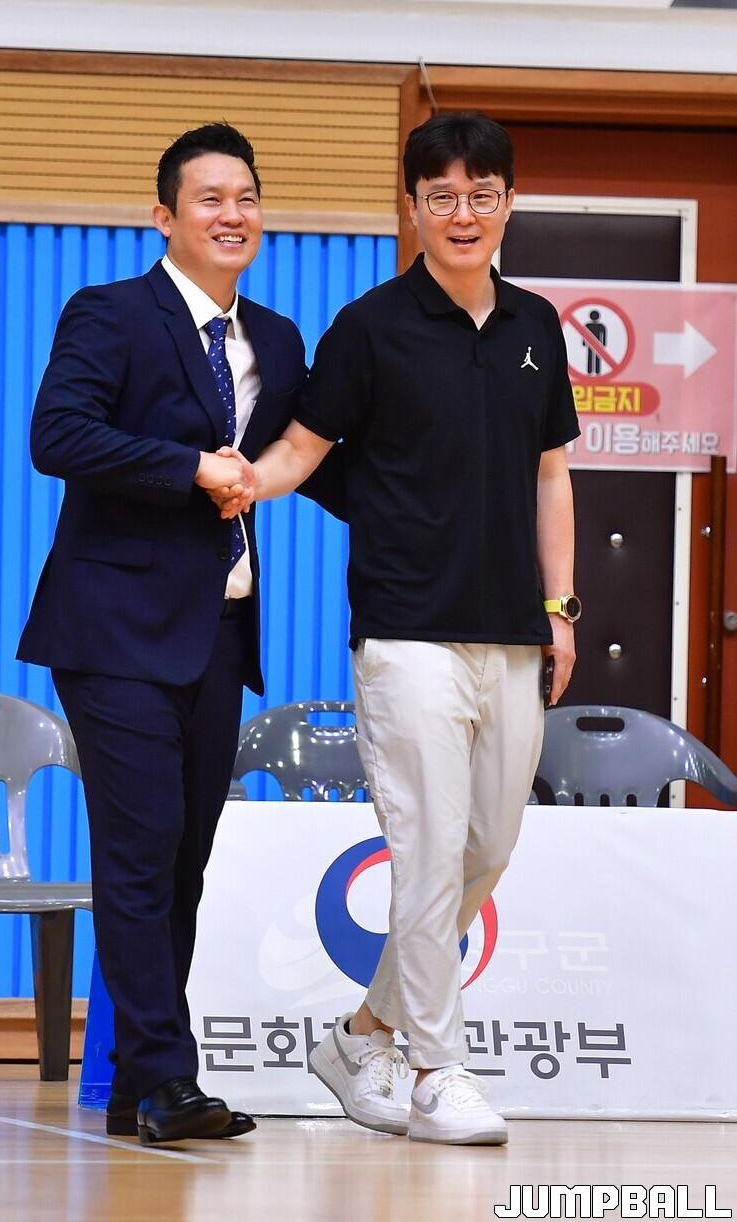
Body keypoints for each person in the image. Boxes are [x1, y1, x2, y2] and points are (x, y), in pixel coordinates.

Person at [215, 111, 581, 1146]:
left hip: (513, 631)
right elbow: (301, 449)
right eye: (441, 197)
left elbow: (552, 475)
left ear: (508, 203)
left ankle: (360, 1034)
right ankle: (436, 1069)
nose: (463, 215)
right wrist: (240, 482)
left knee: (485, 847)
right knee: (424, 851)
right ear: (412, 208)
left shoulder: (536, 326)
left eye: (481, 195)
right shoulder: (369, 327)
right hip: (406, 630)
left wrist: (559, 610)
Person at [17, 123, 341, 1146]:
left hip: (217, 632)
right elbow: (57, 434)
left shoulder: (276, 339)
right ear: (165, 216)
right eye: (209, 198)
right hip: (112, 629)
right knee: (141, 850)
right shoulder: (111, 313)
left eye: (246, 197)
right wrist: (189, 467)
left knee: (183, 862)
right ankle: (166, 1077)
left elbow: (303, 460)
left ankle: (136, 1083)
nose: (231, 214)